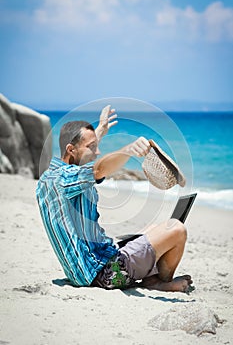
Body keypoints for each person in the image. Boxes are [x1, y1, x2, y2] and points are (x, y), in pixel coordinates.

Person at [36, 105, 194, 293]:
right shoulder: (64, 180)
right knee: (177, 229)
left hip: (94, 265)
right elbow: (98, 170)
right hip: (104, 272)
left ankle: (151, 275)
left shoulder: (50, 177)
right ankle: (158, 282)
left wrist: (100, 131)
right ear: (71, 149)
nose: (97, 152)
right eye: (92, 147)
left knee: (154, 229)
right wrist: (128, 150)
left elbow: (83, 160)